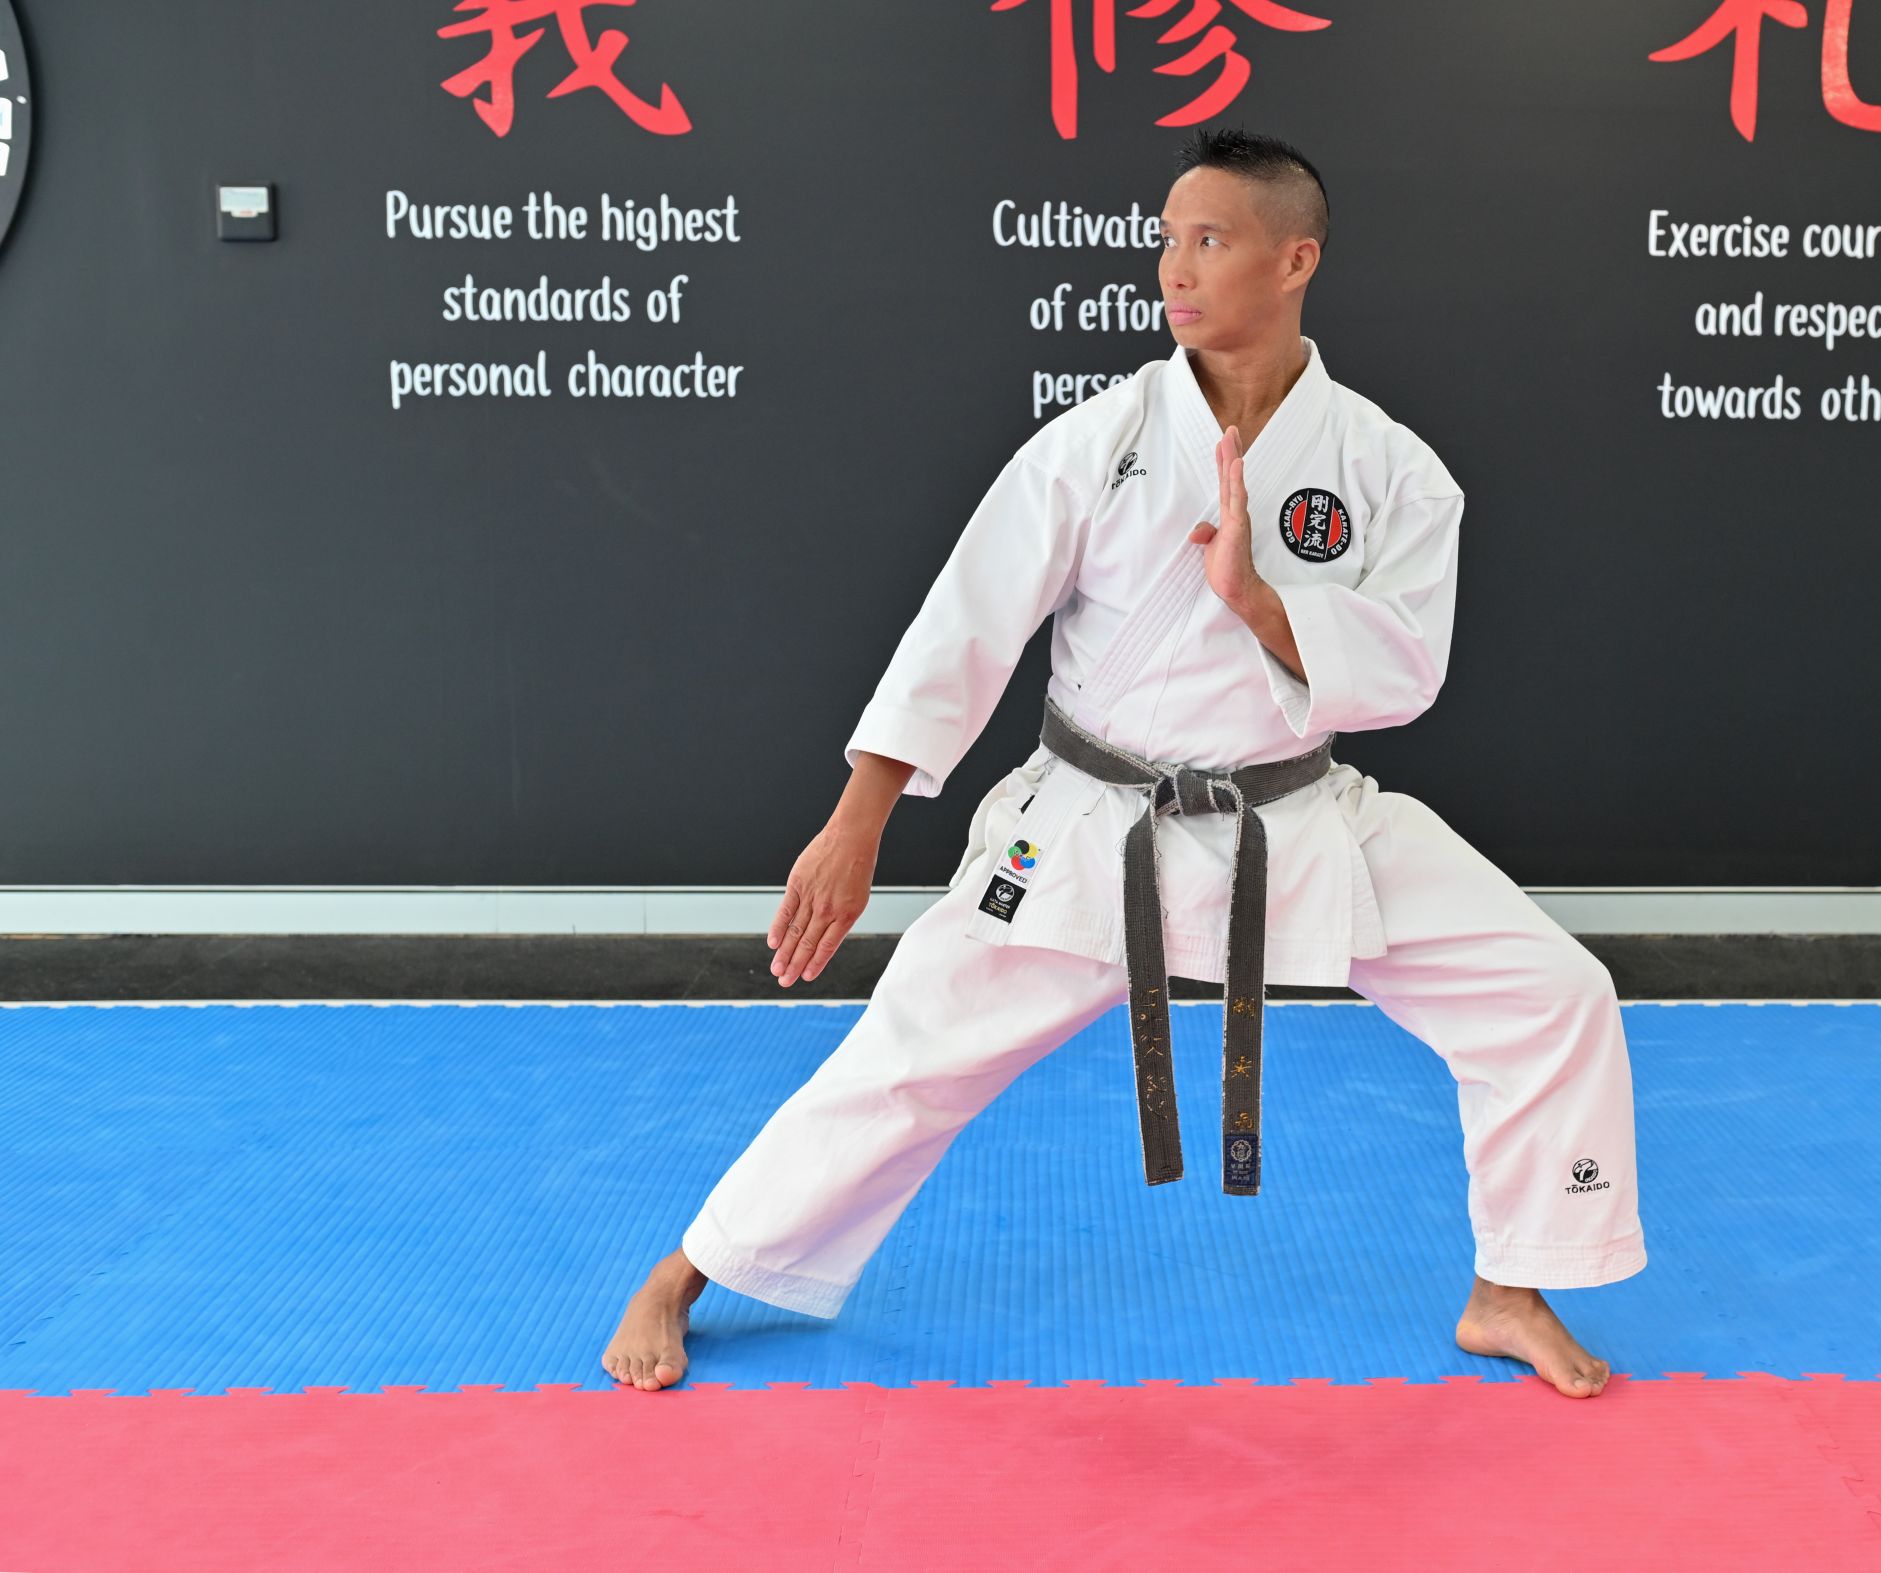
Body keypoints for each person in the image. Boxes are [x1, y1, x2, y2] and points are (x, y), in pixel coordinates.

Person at [603, 128, 1645, 1399]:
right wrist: (857, 819)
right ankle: (690, 1269)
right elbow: (965, 624)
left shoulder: (1389, 469)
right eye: (1166, 241)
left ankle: (1510, 1286)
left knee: (1551, 987)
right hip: (1092, 826)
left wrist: (1260, 604)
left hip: (1295, 815)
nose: (1174, 269)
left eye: (1209, 240)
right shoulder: (1094, 441)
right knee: (911, 1051)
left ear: (1296, 260)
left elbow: (1408, 671)